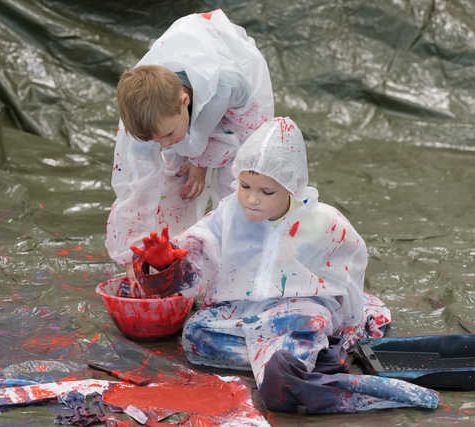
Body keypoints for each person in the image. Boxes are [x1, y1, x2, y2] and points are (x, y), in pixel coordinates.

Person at [132, 117, 439, 413]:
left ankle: (296, 367)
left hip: (299, 311)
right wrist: (168, 261)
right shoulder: (229, 213)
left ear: (292, 187)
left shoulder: (324, 222)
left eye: (267, 191)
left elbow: (349, 274)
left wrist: (348, 326)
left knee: (307, 323)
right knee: (196, 335)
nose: (252, 199)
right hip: (244, 313)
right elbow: (199, 246)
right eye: (245, 186)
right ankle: (297, 367)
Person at [105, 9, 274, 282]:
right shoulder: (143, 123)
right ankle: (179, 256)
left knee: (239, 182)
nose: (162, 145)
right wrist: (133, 254)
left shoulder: (228, 83)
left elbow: (250, 138)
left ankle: (243, 262)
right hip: (185, 101)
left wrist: (204, 161)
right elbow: (135, 188)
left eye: (167, 135)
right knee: (173, 184)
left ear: (184, 101)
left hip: (232, 87)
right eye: (153, 140)